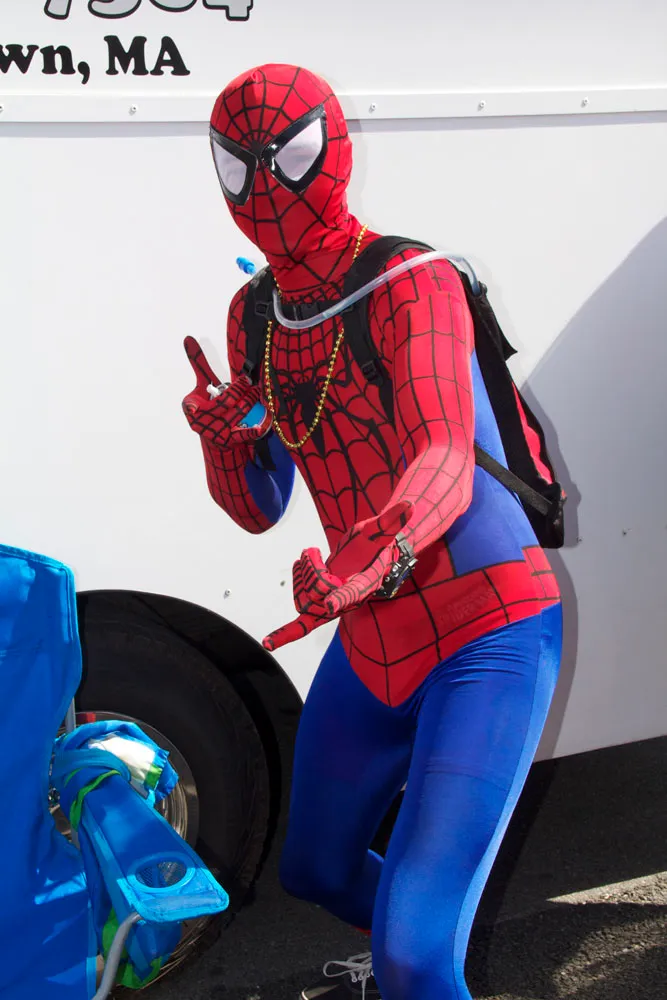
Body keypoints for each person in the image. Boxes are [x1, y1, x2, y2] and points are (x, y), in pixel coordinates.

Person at [182, 62, 562, 1000]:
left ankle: (414, 963)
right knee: (315, 869)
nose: (264, 188)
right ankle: (410, 949)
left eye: (286, 157)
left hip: (487, 627)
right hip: (374, 635)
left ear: (333, 151)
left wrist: (376, 553)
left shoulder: (409, 279)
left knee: (413, 954)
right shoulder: (255, 316)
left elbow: (442, 452)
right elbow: (258, 506)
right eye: (236, 165)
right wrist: (225, 443)